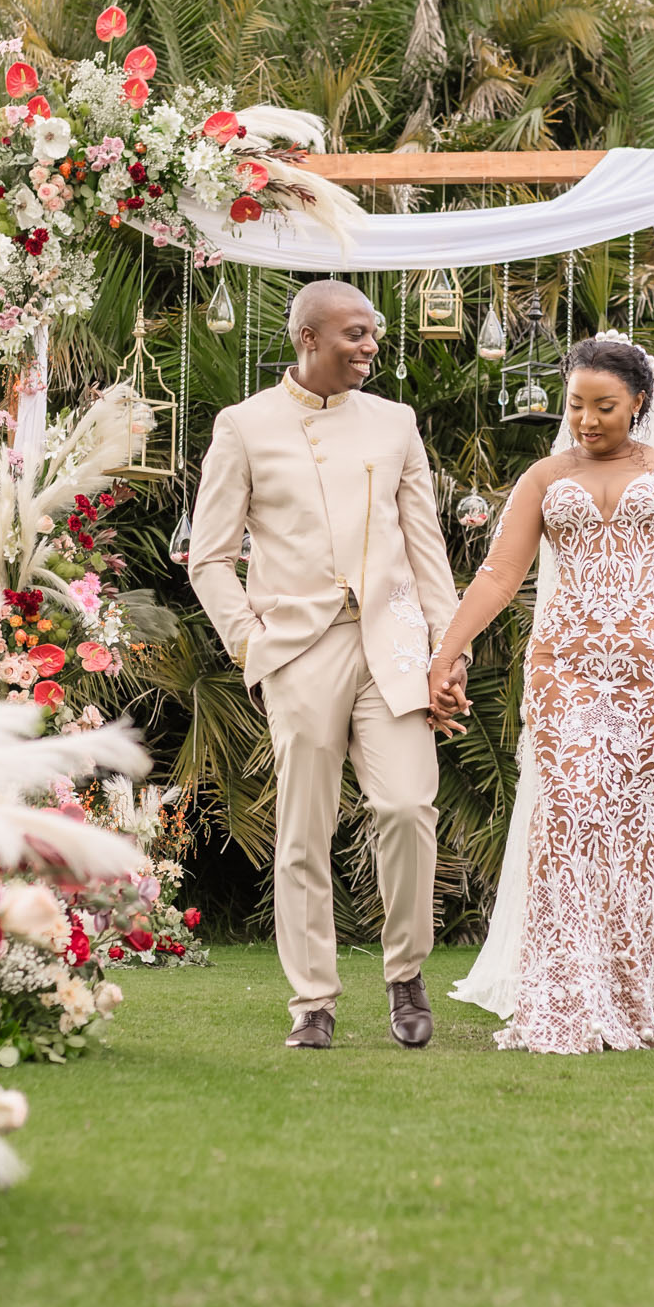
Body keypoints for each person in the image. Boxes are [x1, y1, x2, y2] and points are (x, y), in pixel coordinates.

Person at [428, 336, 654, 1055]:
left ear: (639, 403)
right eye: (576, 406)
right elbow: (499, 574)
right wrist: (447, 652)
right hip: (563, 667)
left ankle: (645, 995)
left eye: (605, 407)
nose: (587, 421)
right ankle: (567, 996)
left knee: (642, 835)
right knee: (567, 819)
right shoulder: (543, 477)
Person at [188, 279, 462, 1050]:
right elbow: (208, 558)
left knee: (406, 807)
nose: (369, 345)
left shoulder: (395, 422)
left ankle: (405, 973)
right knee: (303, 832)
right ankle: (312, 1001)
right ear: (307, 338)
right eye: (353, 334)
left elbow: (425, 547)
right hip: (297, 649)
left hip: (393, 643)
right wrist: (250, 643)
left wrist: (447, 651)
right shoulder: (244, 426)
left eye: (371, 332)